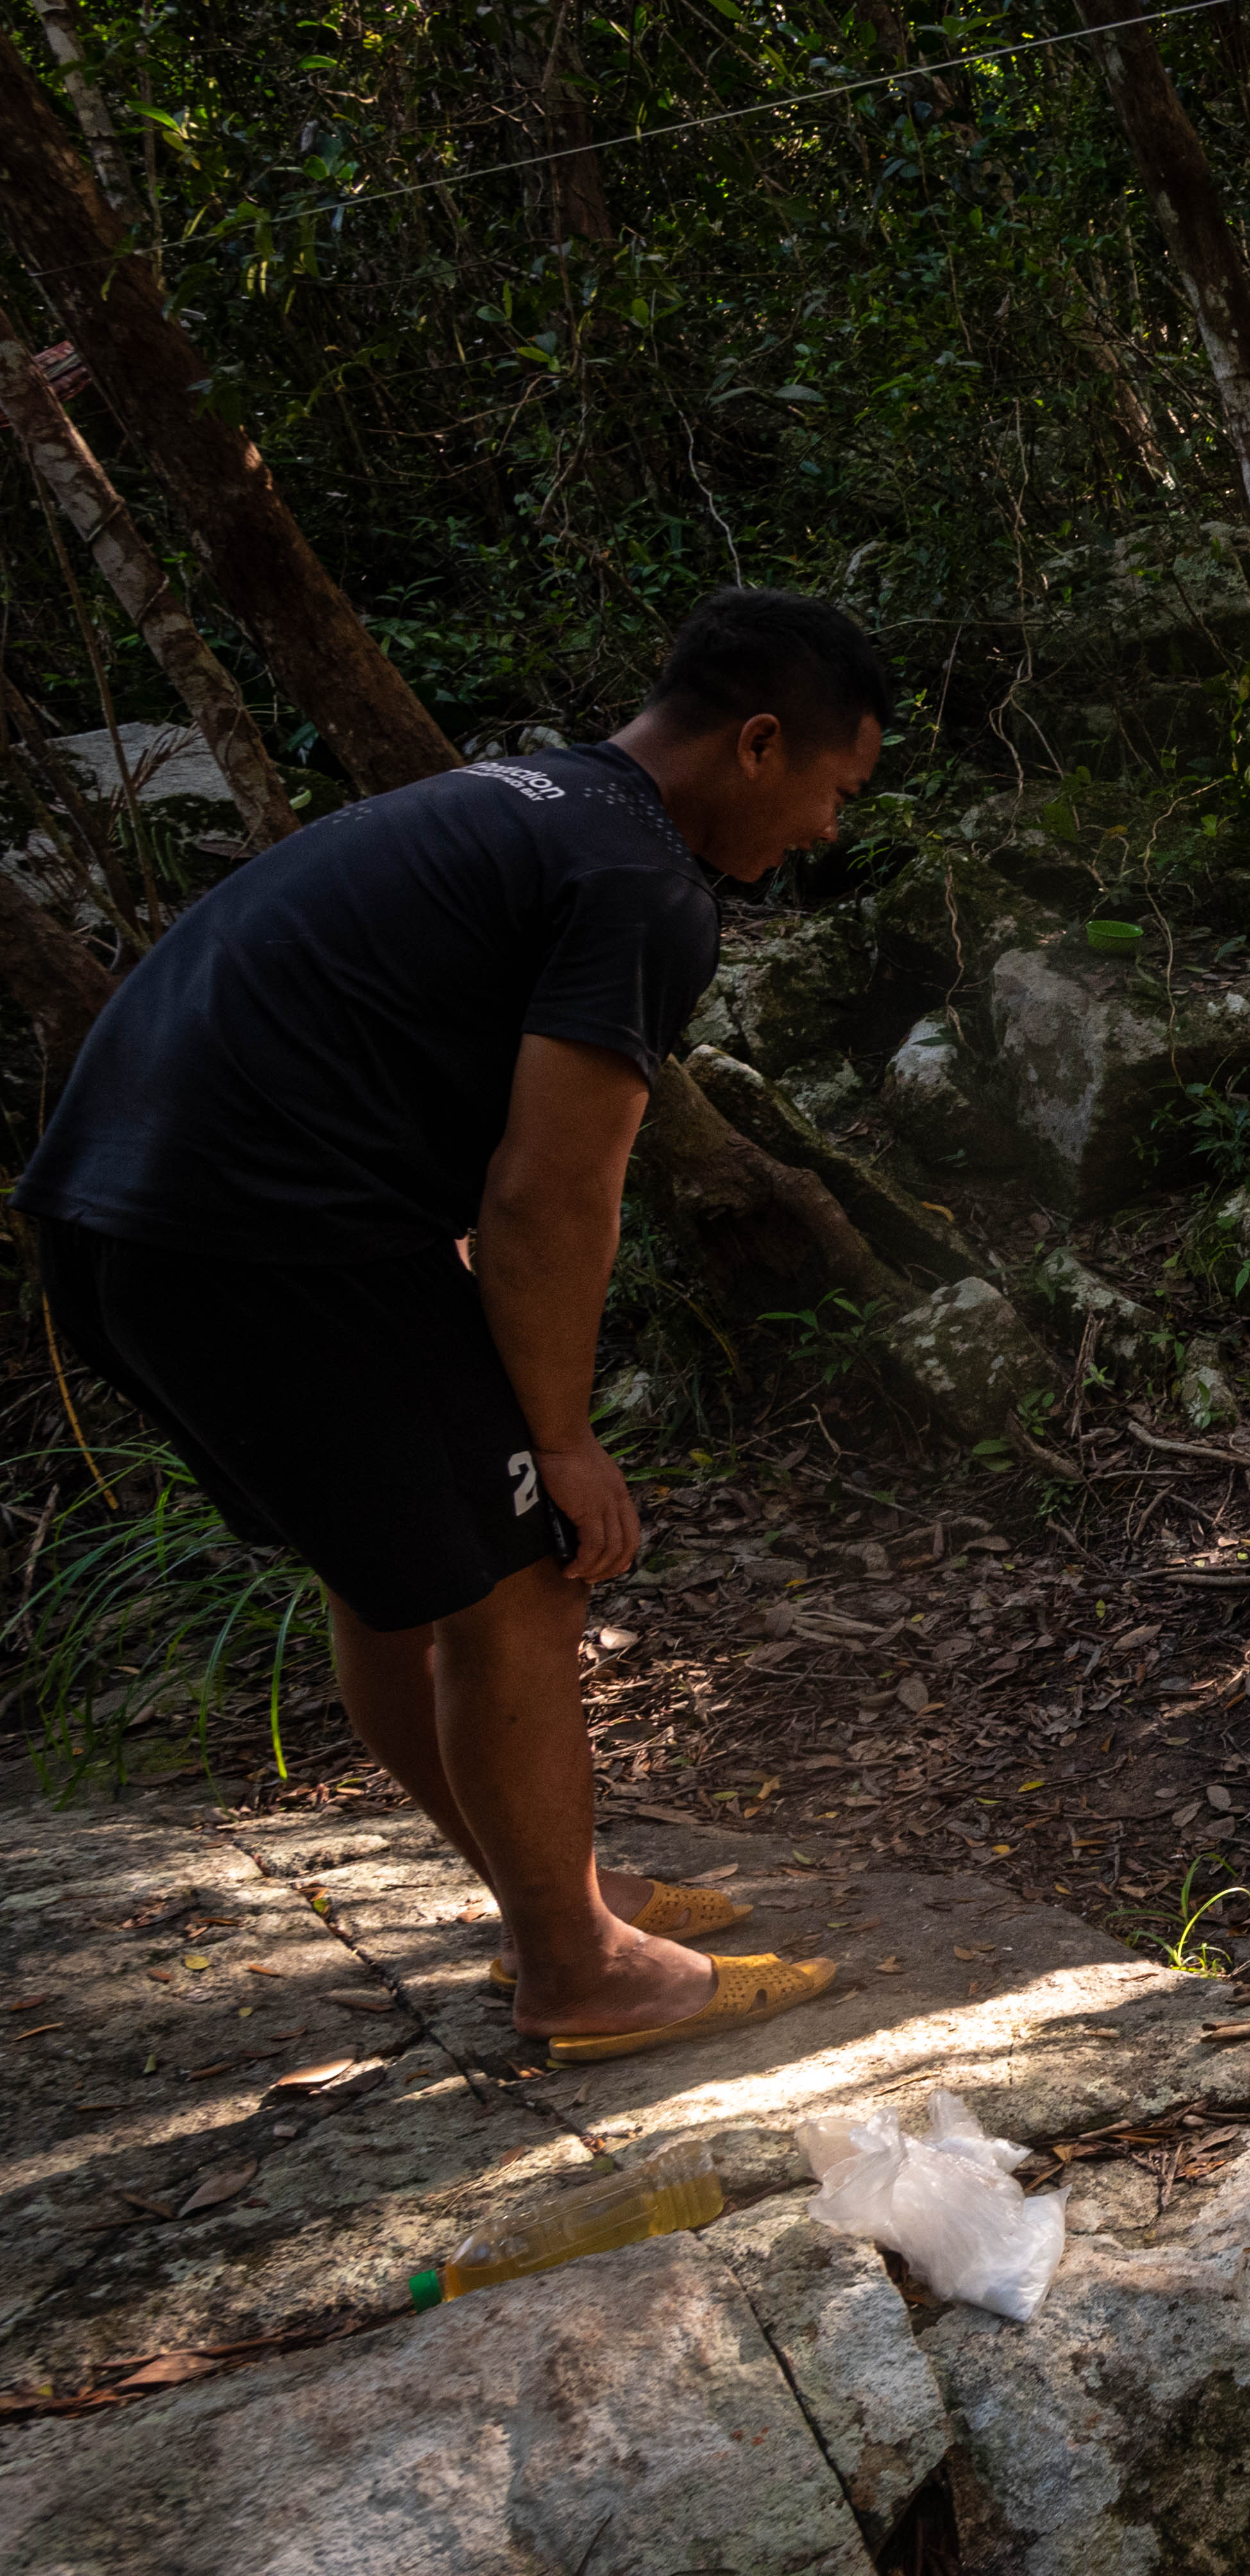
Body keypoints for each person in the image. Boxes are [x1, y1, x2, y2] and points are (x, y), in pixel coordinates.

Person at [15, 588, 888, 2064]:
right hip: (266, 1236)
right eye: (832, 788)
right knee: (518, 1575)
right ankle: (578, 1963)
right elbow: (553, 1191)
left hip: (114, 1222)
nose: (823, 830)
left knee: (398, 1580)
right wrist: (557, 1439)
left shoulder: (526, 797)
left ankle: (555, 1896)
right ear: (757, 744)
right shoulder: (640, 879)